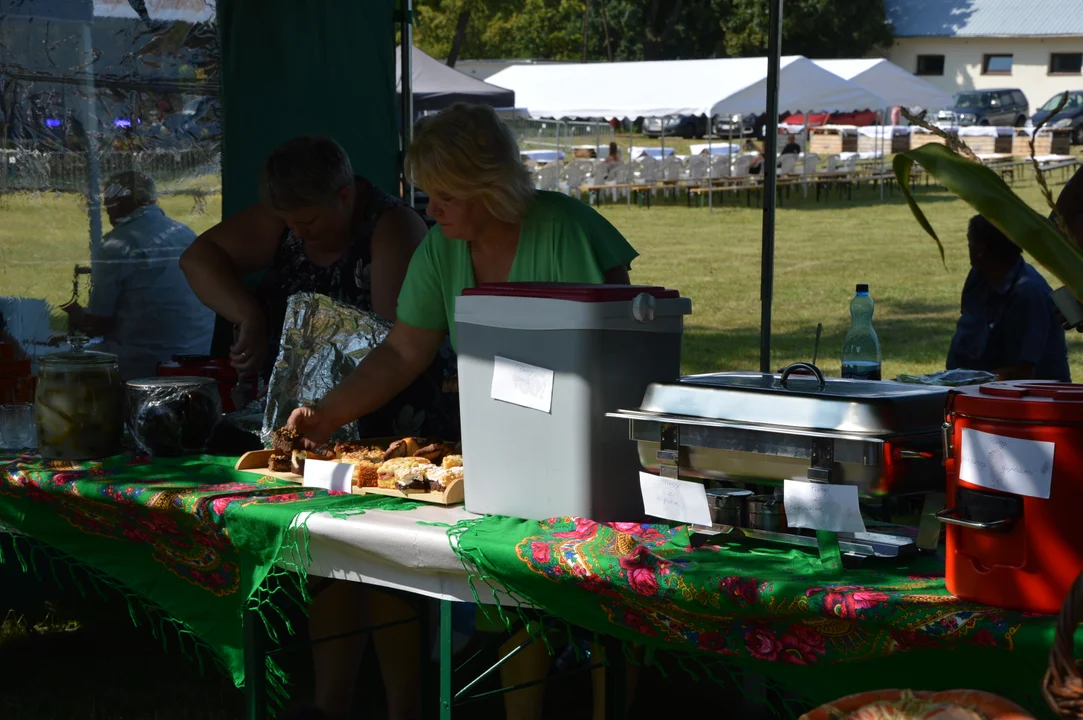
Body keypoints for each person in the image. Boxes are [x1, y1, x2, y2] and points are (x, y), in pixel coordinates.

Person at [287, 102, 638, 720]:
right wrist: (325, 414)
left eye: (445, 195)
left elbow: (614, 358)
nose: (430, 209)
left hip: (590, 457)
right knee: (508, 590)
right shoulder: (441, 250)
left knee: (580, 601)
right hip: (501, 453)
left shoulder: (567, 230)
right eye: (428, 194)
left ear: (490, 187)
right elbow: (402, 351)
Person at [61, 171, 214, 380]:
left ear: (119, 202)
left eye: (108, 202)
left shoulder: (118, 244)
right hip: (195, 359)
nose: (106, 209)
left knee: (60, 371)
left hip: (141, 365)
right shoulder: (184, 233)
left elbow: (98, 324)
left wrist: (75, 314)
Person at [946, 214, 1070, 382]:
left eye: (970, 242)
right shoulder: (979, 276)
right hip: (977, 388)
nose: (969, 247)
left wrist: (965, 381)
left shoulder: (1029, 294)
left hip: (1030, 397)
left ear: (980, 250)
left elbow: (1024, 372)